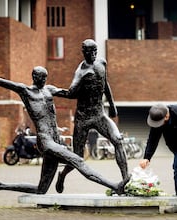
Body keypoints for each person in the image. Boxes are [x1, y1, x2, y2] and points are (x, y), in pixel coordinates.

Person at [0, 62, 130, 196]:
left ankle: (2, 186)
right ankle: (114, 185)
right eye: (40, 77)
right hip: (46, 141)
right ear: (33, 76)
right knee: (77, 160)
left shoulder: (49, 90)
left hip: (55, 139)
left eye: (45, 77)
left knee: (41, 189)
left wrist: (91, 81)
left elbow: (70, 93)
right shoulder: (25, 91)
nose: (43, 80)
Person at [54, 39, 128, 193]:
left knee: (118, 140)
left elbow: (105, 83)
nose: (94, 54)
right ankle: (62, 175)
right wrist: (53, 91)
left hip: (99, 114)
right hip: (83, 118)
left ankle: (125, 182)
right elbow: (70, 93)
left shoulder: (102, 63)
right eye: (90, 51)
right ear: (83, 52)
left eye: (95, 50)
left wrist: (113, 105)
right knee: (77, 156)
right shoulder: (80, 72)